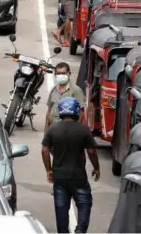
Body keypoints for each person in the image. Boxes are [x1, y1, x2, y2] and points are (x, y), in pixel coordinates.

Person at [41, 97, 100, 234]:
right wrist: (96, 168)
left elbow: (44, 150)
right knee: (84, 203)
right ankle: (80, 229)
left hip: (59, 177)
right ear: (77, 111)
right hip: (78, 176)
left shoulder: (53, 129)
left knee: (61, 207)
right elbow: (91, 151)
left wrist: (49, 170)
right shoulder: (83, 130)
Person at [45, 62, 85, 130]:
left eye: (63, 73)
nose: (61, 75)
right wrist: (46, 130)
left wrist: (76, 130)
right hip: (53, 129)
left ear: (69, 74)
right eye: (58, 73)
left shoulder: (76, 90)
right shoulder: (54, 90)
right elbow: (49, 110)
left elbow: (81, 112)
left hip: (67, 130)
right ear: (55, 75)